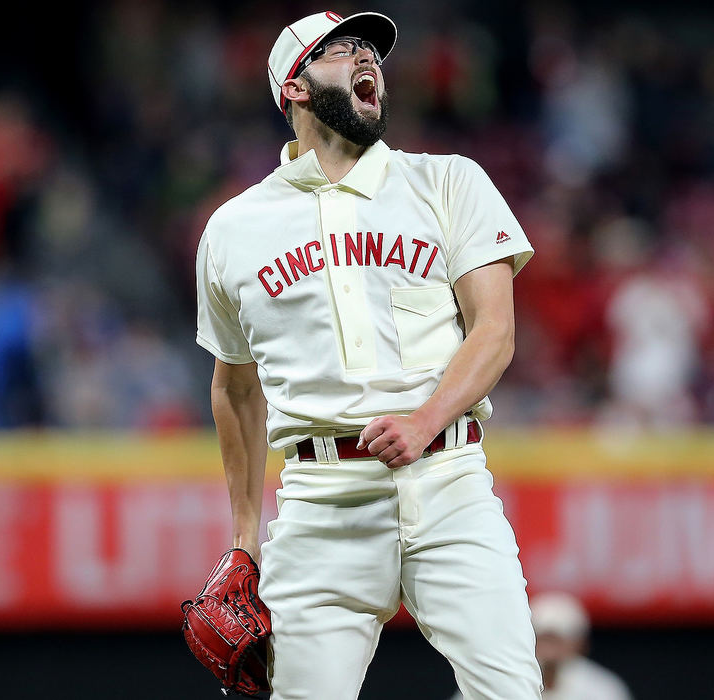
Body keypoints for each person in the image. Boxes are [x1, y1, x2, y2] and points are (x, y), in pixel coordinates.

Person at [194, 10, 541, 699]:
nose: (366, 59)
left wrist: (423, 418)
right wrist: (244, 540)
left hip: (449, 483)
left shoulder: (447, 182)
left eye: (370, 49)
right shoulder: (233, 229)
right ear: (294, 88)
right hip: (322, 503)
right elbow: (235, 388)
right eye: (340, 50)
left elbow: (494, 332)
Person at [452, 592, 632, 700]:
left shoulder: (602, 690)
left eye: (557, 640)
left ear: (580, 645)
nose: (550, 650)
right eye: (543, 639)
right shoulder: (497, 679)